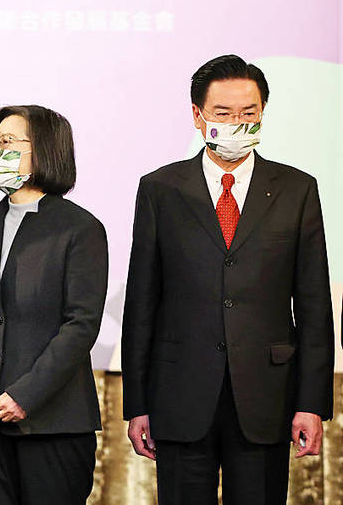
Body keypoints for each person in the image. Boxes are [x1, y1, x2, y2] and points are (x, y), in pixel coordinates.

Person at [122, 54, 334, 504]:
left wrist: (312, 402)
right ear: (198, 117)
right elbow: (142, 303)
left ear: (262, 114)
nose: (238, 123)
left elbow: (315, 306)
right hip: (179, 396)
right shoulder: (160, 188)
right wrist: (137, 404)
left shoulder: (297, 190)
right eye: (224, 114)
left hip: (266, 397)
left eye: (249, 113)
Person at [0, 105, 109, 505]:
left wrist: (25, 396)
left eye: (10, 141)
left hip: (52, 425)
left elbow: (80, 325)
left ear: (47, 148)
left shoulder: (80, 228)